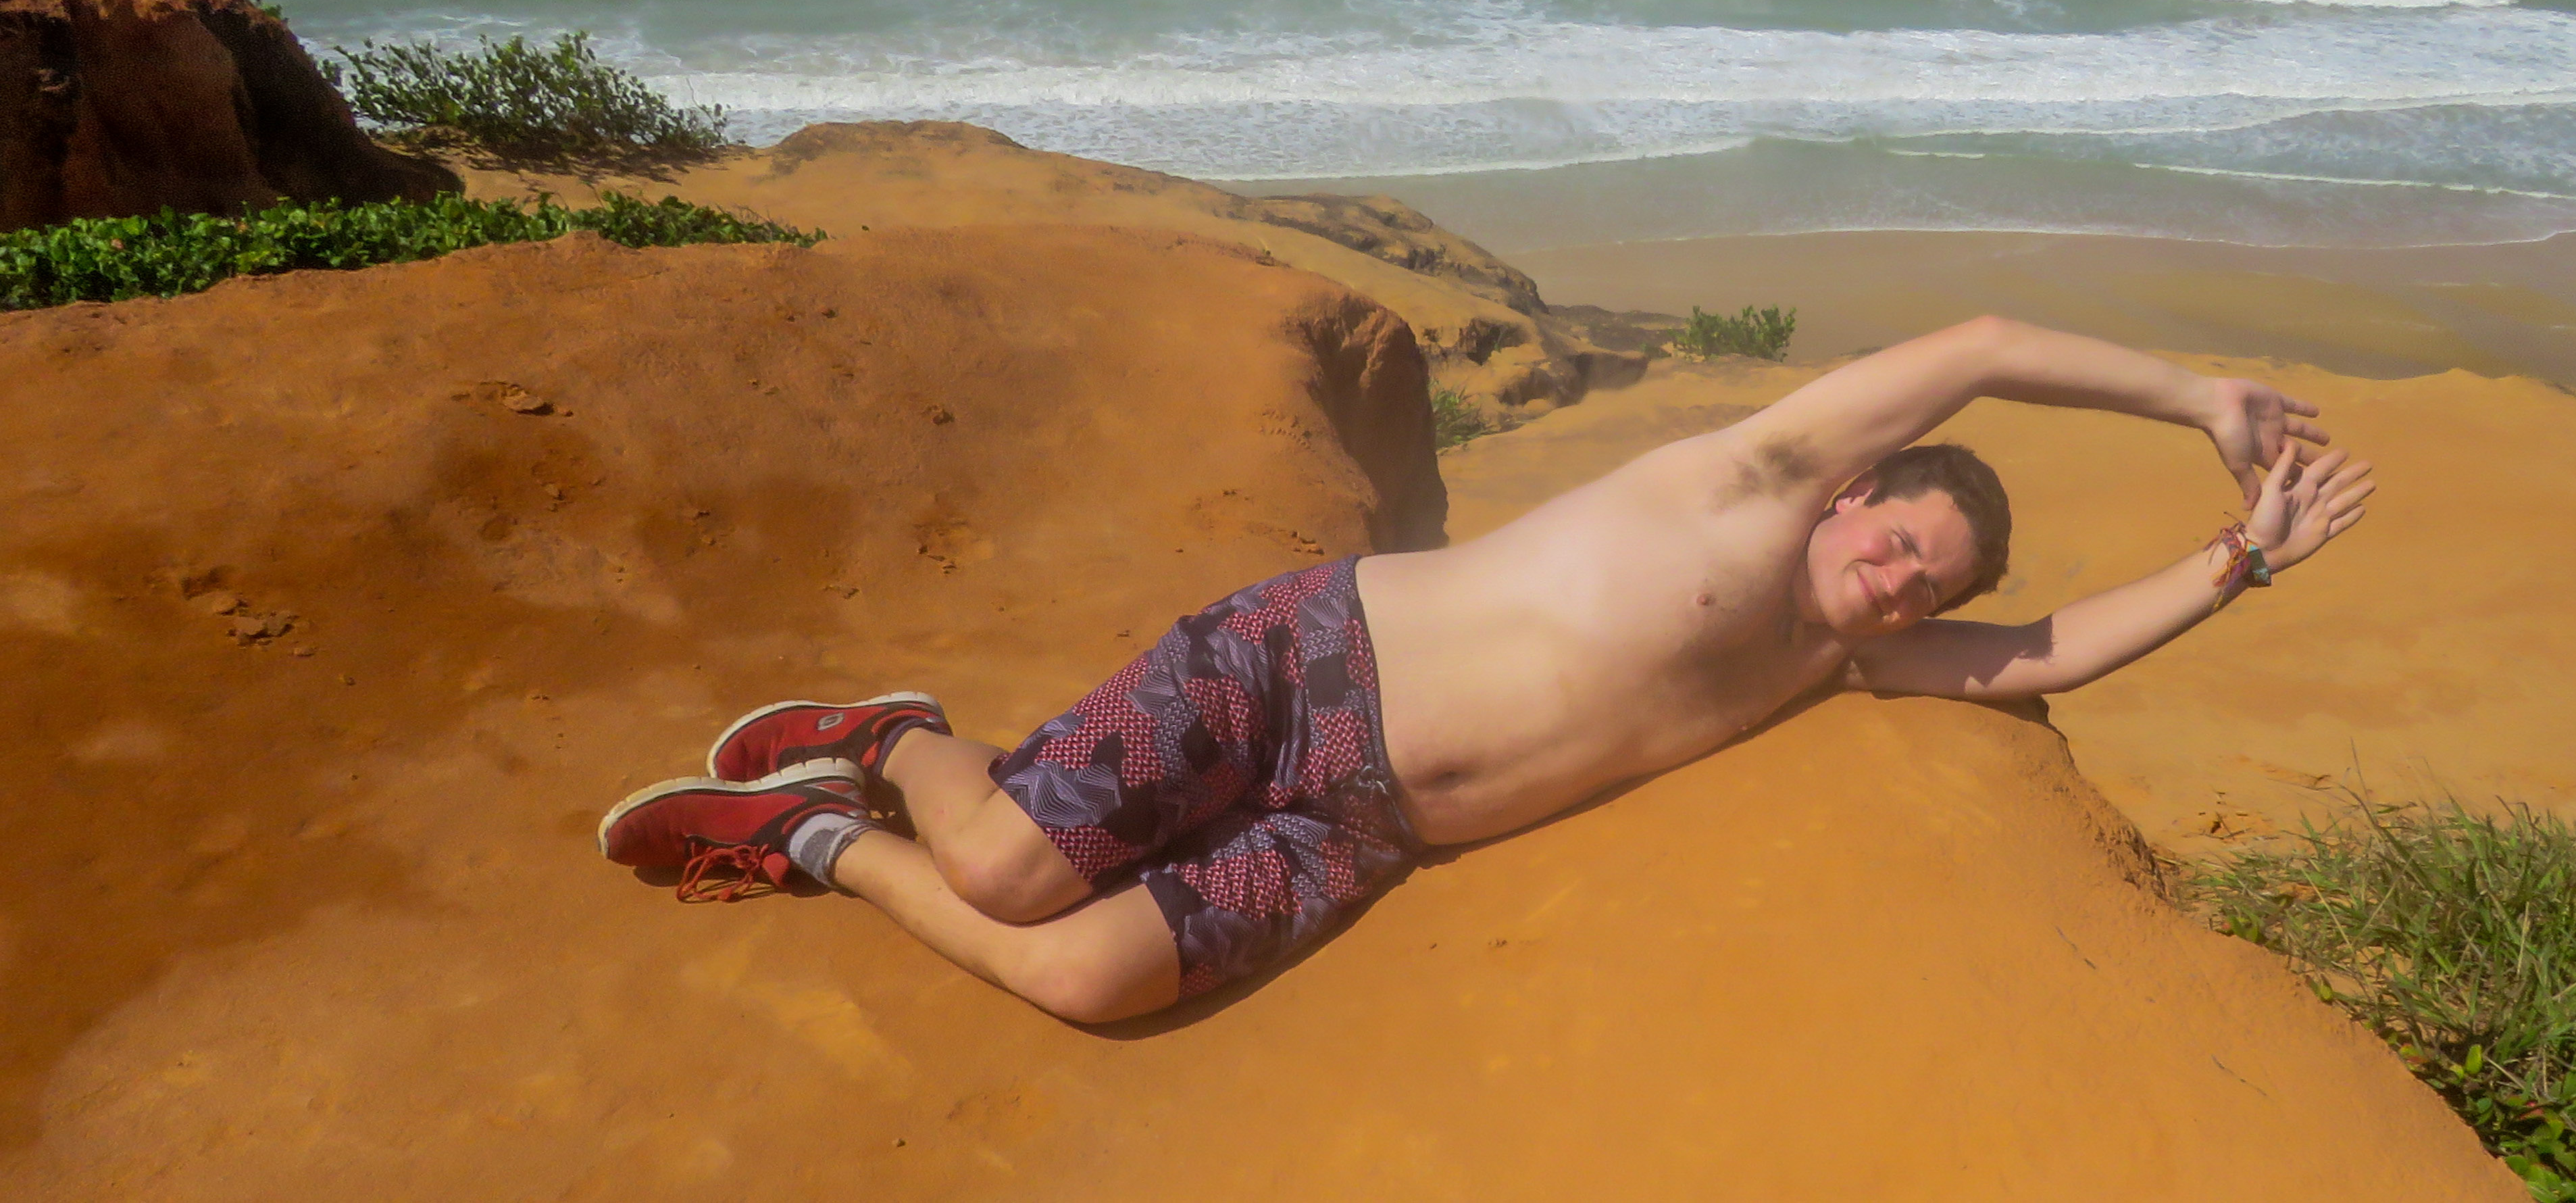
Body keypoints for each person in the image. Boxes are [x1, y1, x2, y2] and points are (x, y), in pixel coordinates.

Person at [600, 316, 2374, 1021]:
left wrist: (2237, 563)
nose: (1902, 581)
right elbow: (1979, 345)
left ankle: (820, 840)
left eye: (1932, 586)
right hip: (1304, 667)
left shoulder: (1841, 667)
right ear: (1854, 495)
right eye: (1901, 540)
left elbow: (2054, 651)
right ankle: (899, 738)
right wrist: (2198, 399)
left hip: (1366, 832)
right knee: (1003, 867)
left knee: (1085, 981)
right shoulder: (1751, 485)